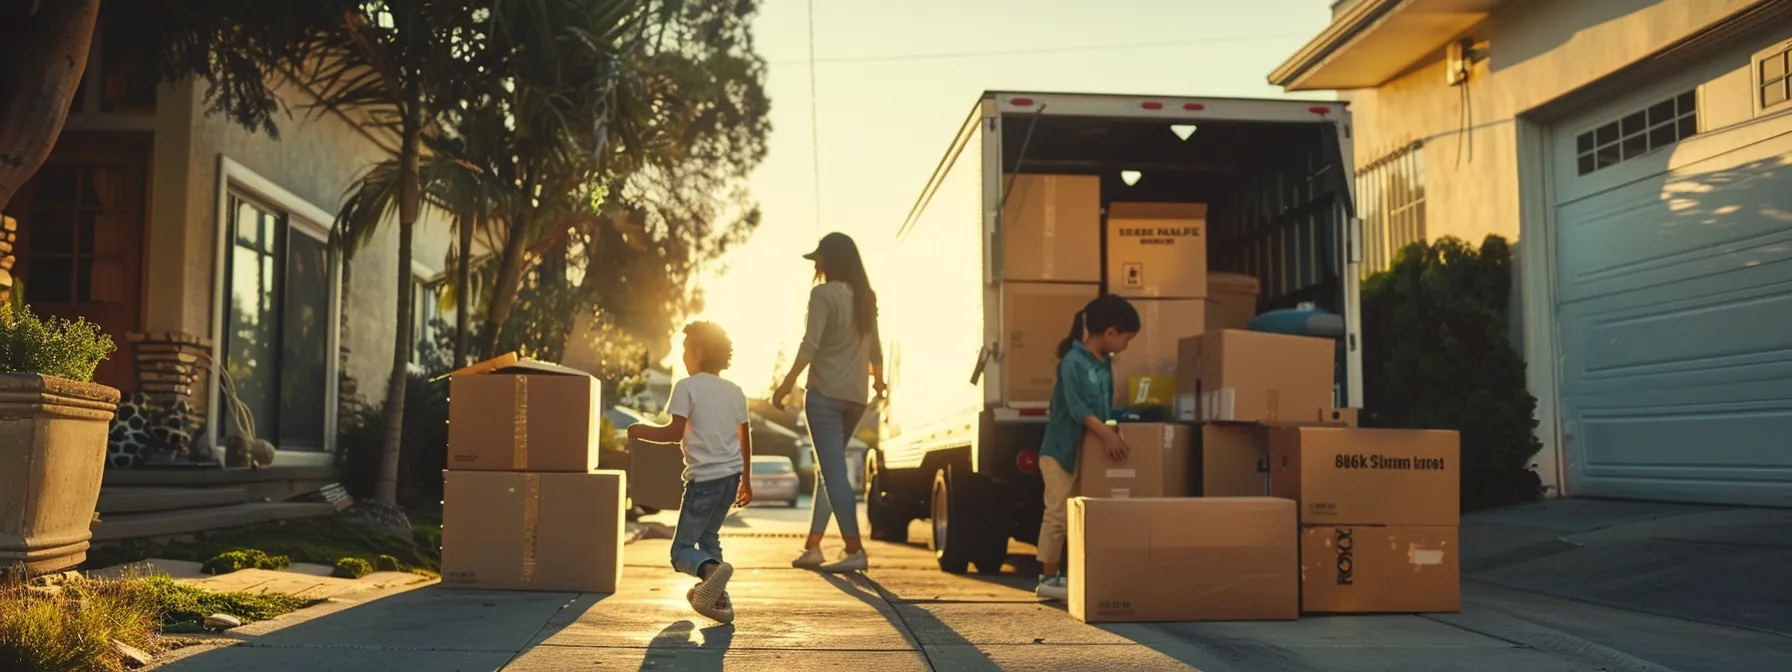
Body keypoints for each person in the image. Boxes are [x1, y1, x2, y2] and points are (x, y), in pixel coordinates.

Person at [772, 232, 886, 574]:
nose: (816, 265)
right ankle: (813, 547)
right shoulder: (865, 296)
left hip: (824, 396)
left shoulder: (822, 295)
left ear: (831, 260)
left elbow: (810, 345)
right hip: (855, 397)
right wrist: (879, 382)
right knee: (828, 471)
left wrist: (786, 384)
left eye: (818, 258)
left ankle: (854, 549)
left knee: (833, 472)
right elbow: (876, 348)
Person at [629, 321, 753, 623]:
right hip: (730, 479)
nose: (683, 356)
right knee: (709, 537)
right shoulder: (735, 390)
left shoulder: (687, 386)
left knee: (682, 550)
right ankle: (717, 600)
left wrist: (638, 431)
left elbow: (674, 432)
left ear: (697, 352)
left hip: (704, 482)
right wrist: (746, 480)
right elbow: (744, 436)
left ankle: (711, 572)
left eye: (685, 350)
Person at [1034, 294, 1139, 602]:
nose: (1126, 346)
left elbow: (1104, 405)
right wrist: (1106, 435)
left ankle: (1074, 573)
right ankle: (1047, 577)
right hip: (1059, 452)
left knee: (1082, 513)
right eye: (1127, 338)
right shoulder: (1072, 362)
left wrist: (1115, 426)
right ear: (1109, 332)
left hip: (1086, 452)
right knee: (1057, 513)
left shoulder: (1104, 364)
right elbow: (1077, 407)